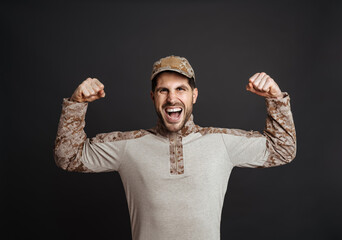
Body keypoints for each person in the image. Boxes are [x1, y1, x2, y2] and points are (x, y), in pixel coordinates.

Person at [54, 55, 296, 240]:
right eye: (163, 90)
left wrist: (275, 99)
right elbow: (69, 156)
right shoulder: (128, 146)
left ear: (194, 95)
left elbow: (282, 150)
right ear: (153, 97)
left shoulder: (221, 142)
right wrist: (77, 103)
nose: (172, 98)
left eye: (181, 89)